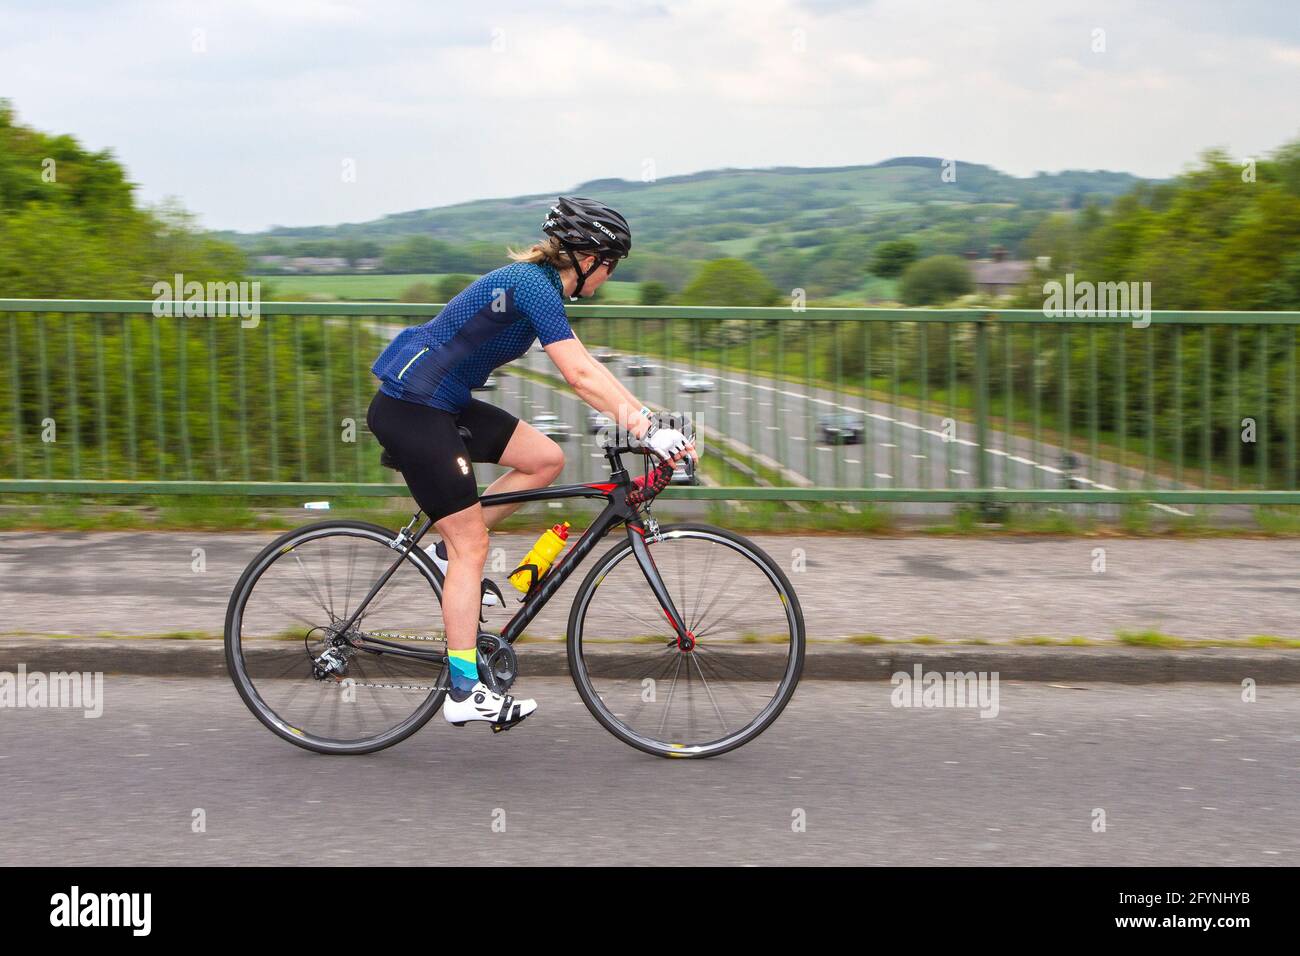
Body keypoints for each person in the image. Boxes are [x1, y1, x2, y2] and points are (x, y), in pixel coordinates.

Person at [366, 196, 694, 729]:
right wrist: (644, 429)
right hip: (413, 407)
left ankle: (446, 557)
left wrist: (651, 423)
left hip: (440, 402)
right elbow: (579, 378)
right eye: (610, 266)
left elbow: (589, 367)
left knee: (545, 459)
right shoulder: (533, 286)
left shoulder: (541, 287)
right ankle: (464, 690)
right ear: (588, 258)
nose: (608, 278)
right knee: (474, 544)